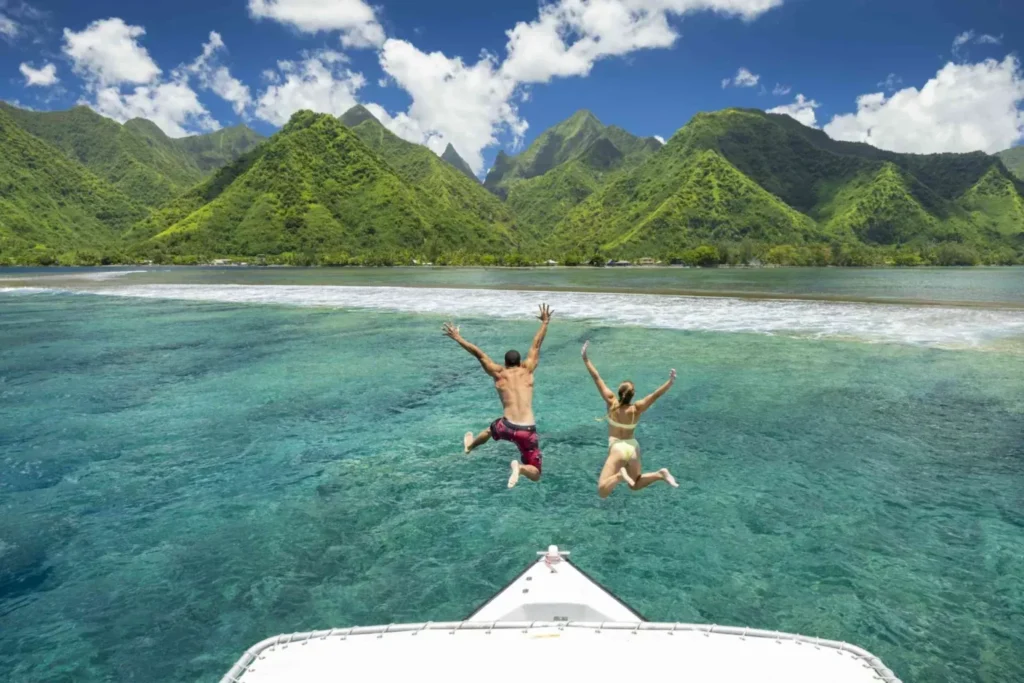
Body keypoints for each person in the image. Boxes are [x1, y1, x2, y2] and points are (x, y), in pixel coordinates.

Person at [442, 304, 553, 488]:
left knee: (489, 430)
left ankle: (470, 446)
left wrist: (457, 337)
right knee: (536, 473)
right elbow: (536, 345)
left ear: (505, 362)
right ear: (520, 362)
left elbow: (479, 354)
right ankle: (522, 469)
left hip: (507, 426)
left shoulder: (499, 374)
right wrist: (545, 323)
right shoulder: (528, 370)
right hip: (527, 430)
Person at [581, 340, 679, 498]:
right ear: (632, 395)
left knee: (602, 490)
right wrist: (670, 382)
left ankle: (619, 476)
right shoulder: (637, 409)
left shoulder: (611, 403)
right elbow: (655, 395)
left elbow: (597, 378)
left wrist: (585, 359)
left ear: (620, 393)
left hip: (617, 449)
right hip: (633, 448)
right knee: (635, 484)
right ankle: (660, 474)